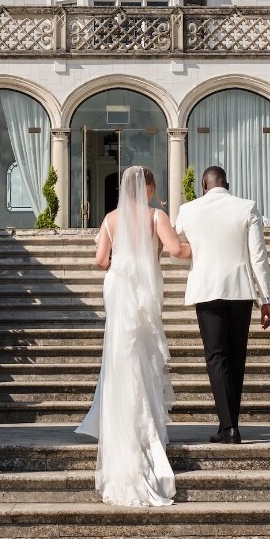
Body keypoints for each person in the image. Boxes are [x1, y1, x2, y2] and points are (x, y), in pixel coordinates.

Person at [76, 166, 191, 507]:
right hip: (144, 286)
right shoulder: (156, 215)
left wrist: (120, 261)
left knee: (120, 353)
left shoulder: (110, 219)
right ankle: (143, 423)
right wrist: (193, 241)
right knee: (143, 351)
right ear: (150, 188)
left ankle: (121, 421)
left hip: (118, 286)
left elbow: (100, 261)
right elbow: (177, 251)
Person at [174, 165, 270, 444]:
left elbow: (176, 247)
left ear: (203, 186)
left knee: (216, 357)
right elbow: (258, 257)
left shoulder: (188, 210)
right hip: (240, 290)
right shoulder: (247, 207)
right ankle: (229, 424)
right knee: (236, 357)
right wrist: (266, 299)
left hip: (206, 289)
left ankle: (228, 426)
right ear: (226, 184)